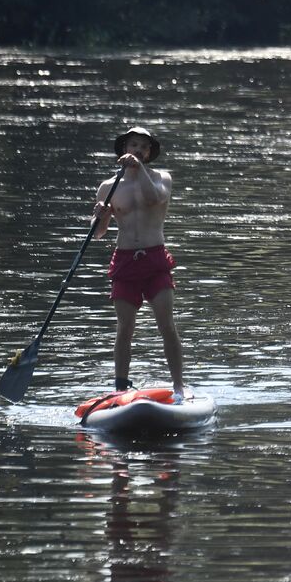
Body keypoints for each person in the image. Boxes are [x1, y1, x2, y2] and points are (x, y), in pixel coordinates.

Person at [94, 127, 184, 398]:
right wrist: (101, 215)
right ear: (124, 148)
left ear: (149, 154)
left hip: (155, 258)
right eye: (133, 145)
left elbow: (154, 198)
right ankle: (120, 388)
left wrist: (138, 169)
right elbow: (98, 233)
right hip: (125, 262)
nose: (138, 150)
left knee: (166, 324)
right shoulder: (108, 187)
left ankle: (179, 387)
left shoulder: (162, 179)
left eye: (143, 147)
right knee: (125, 328)